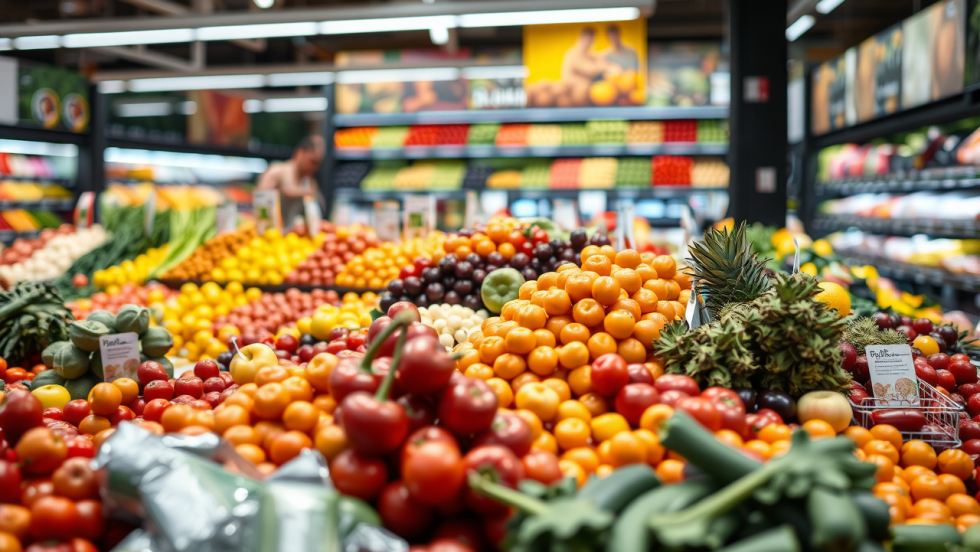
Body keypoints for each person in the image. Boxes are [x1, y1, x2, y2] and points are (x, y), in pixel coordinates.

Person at [256, 136, 325, 226]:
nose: (314, 167)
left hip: (291, 238)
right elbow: (259, 199)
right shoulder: (277, 171)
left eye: (318, 163)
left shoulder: (308, 182)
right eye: (312, 161)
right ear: (300, 153)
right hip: (270, 235)